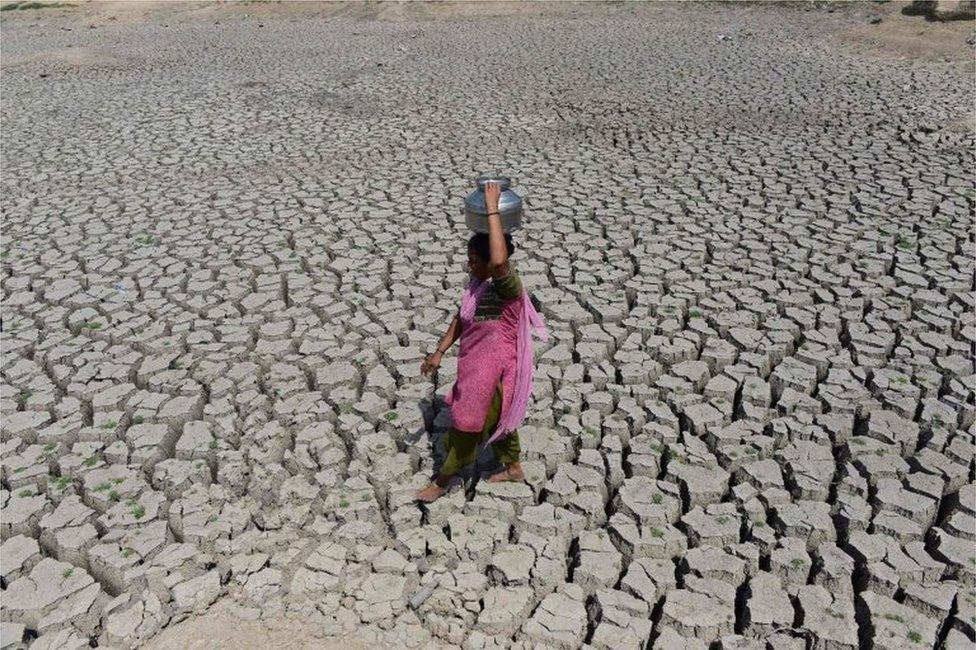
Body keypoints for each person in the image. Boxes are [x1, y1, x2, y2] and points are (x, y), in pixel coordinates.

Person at [416, 180, 547, 503]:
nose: (470, 266)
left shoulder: (507, 288)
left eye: (475, 260)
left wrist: (492, 210)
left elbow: (501, 262)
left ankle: (444, 480)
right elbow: (461, 319)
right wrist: (439, 351)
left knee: (467, 426)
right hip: (476, 369)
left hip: (496, 373)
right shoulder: (477, 285)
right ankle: (514, 468)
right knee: (500, 420)